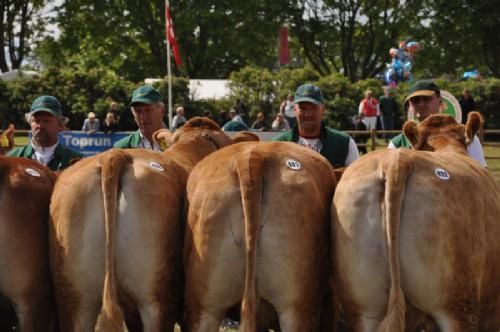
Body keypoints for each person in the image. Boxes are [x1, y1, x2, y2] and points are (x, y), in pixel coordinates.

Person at [389, 80, 487, 167]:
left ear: (439, 100)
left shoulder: (465, 135)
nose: (421, 104)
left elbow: (481, 175)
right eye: (415, 100)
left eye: (426, 99)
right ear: (409, 106)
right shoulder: (397, 143)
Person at [273, 83, 360, 168]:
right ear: (295, 110)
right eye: (303, 108)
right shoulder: (277, 145)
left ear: (323, 109)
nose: (308, 114)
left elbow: (356, 179)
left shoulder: (345, 144)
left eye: (314, 108)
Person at [8, 95, 83, 170]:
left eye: (47, 121)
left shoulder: (77, 162)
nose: (40, 125)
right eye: (36, 121)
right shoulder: (12, 158)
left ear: (60, 126)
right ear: (30, 123)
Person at [114, 85, 165, 151]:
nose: (143, 116)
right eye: (138, 111)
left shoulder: (177, 144)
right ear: (133, 113)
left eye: (148, 110)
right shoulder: (123, 148)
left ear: (161, 111)